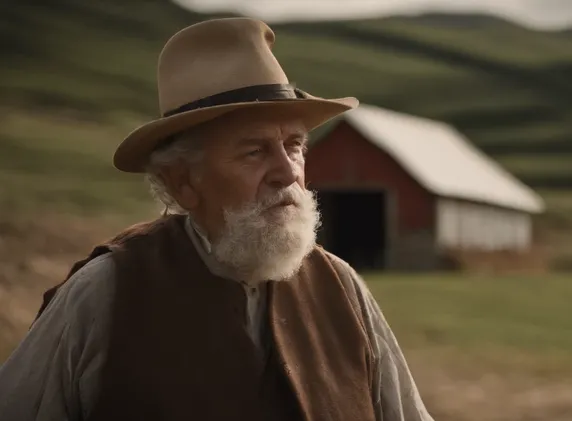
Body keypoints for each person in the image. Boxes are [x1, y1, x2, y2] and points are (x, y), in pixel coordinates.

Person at [0, 17, 433, 421]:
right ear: (182, 182)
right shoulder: (108, 291)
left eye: (295, 144)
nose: (287, 172)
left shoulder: (341, 287)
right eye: (255, 151)